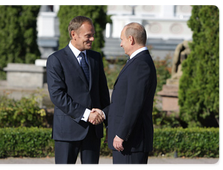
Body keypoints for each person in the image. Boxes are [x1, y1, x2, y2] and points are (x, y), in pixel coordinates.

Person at [46, 16, 110, 165]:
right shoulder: (56, 59)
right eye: (88, 35)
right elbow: (57, 96)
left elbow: (103, 94)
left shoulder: (95, 58)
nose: (92, 39)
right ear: (74, 34)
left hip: (93, 131)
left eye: (93, 34)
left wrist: (108, 125)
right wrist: (87, 114)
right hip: (67, 131)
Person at [93, 22, 157, 165]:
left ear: (131, 39)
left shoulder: (140, 64)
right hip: (129, 142)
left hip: (131, 142)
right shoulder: (137, 62)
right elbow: (123, 101)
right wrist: (103, 113)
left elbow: (134, 103)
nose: (121, 44)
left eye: (122, 39)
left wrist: (122, 134)